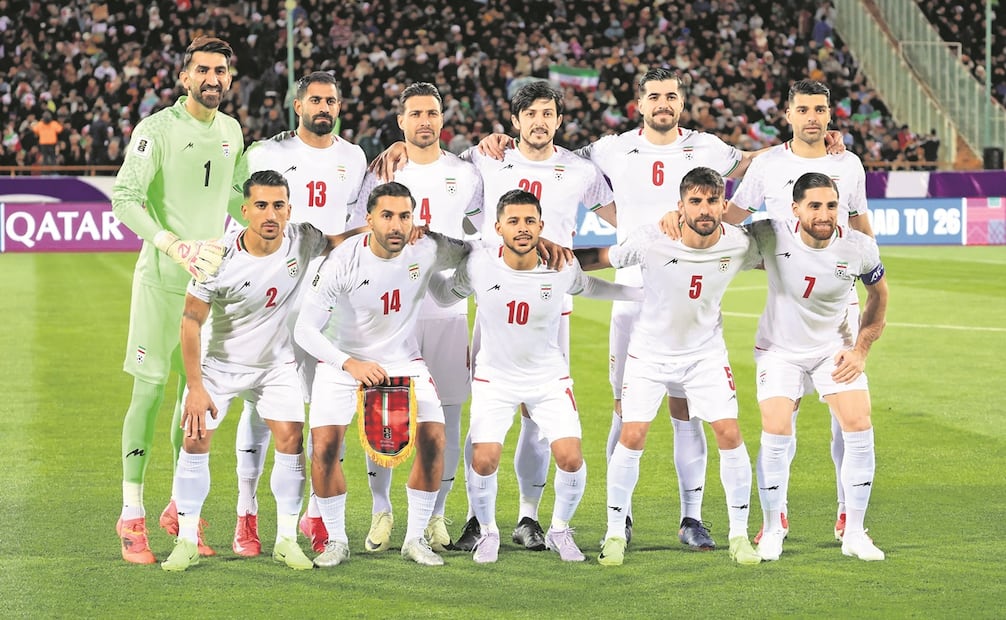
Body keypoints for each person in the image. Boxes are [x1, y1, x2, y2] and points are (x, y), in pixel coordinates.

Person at [428, 189, 640, 564]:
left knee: (571, 458)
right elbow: (445, 296)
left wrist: (639, 294)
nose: (522, 229)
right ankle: (489, 531)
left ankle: (559, 529)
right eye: (513, 221)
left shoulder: (560, 266)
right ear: (497, 228)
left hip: (548, 378)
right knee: (484, 459)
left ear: (541, 226)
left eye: (529, 221)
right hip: (495, 379)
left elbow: (590, 287)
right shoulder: (479, 264)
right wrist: (420, 270)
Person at [454, 80, 616, 552]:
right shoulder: (486, 157)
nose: (539, 122)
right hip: (495, 296)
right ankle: (474, 518)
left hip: (553, 302)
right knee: (484, 407)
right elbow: (447, 188)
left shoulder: (580, 170)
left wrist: (576, 254)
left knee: (538, 416)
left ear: (559, 121)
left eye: (548, 113)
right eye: (531, 114)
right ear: (514, 120)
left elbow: (612, 224)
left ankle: (528, 516)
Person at [576, 167, 762, 567]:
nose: (705, 209)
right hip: (649, 353)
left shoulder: (740, 243)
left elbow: (787, 254)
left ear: (724, 205)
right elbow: (600, 258)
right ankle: (613, 534)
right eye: (695, 201)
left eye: (713, 200)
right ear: (680, 206)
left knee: (729, 432)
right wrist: (549, 257)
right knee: (633, 433)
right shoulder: (651, 239)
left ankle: (739, 536)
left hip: (705, 355)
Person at [161, 170, 337, 572]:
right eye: (261, 206)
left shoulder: (301, 238)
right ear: (245, 211)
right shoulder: (217, 258)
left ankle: (287, 539)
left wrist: (384, 226)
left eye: (278, 205)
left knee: (292, 440)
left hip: (276, 366)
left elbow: (340, 242)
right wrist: (195, 387)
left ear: (289, 209)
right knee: (196, 436)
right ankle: (187, 540)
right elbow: (190, 319)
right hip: (222, 365)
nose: (270, 214)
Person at [111, 36, 244, 565]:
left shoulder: (231, 130)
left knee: (196, 402)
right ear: (185, 77)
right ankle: (131, 515)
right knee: (148, 394)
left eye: (222, 71)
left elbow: (233, 192)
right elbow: (125, 197)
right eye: (203, 70)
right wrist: (173, 244)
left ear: (229, 79)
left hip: (208, 289)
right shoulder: (157, 130)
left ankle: (178, 509)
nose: (213, 78)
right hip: (162, 283)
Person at [724, 79, 874, 544]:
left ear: (831, 115)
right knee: (780, 420)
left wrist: (865, 266)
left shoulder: (848, 164)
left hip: (839, 309)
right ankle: (778, 514)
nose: (813, 117)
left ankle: (848, 514)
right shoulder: (768, 165)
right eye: (803, 109)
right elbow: (731, 219)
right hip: (787, 309)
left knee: (844, 419)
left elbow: (861, 226)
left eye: (820, 109)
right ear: (787, 115)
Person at [226, 71, 368, 557]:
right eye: (314, 100)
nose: (323, 107)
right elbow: (240, 217)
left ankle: (315, 515)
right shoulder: (268, 154)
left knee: (329, 407)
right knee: (260, 405)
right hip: (276, 299)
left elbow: (354, 228)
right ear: (298, 104)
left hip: (332, 302)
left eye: (331, 100)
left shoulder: (354, 157)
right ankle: (247, 515)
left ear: (339, 105)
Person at [293, 181, 471, 567]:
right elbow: (304, 330)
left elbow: (473, 255)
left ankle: (414, 539)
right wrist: (350, 364)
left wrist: (462, 285)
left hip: (404, 360)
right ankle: (336, 540)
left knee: (435, 439)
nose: (396, 225)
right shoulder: (342, 261)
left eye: (404, 216)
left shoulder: (427, 248)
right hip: (342, 362)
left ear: (415, 218)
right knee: (323, 448)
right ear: (369, 218)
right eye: (387, 216)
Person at [352, 82, 484, 554]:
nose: (424, 121)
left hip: (447, 310)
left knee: (446, 415)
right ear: (400, 121)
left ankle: (436, 516)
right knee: (384, 415)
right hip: (390, 315)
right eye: (415, 113)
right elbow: (359, 228)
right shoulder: (380, 170)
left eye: (432, 112)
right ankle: (381, 510)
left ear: (442, 119)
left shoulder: (466, 174)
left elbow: (481, 234)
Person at [748, 172, 888, 562]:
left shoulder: (859, 247)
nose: (825, 214)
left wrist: (860, 350)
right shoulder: (768, 235)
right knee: (775, 427)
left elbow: (879, 296)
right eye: (815, 206)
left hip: (834, 349)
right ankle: (774, 527)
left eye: (831, 205)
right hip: (780, 350)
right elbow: (713, 246)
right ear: (795, 209)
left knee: (859, 424)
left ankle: (855, 532)